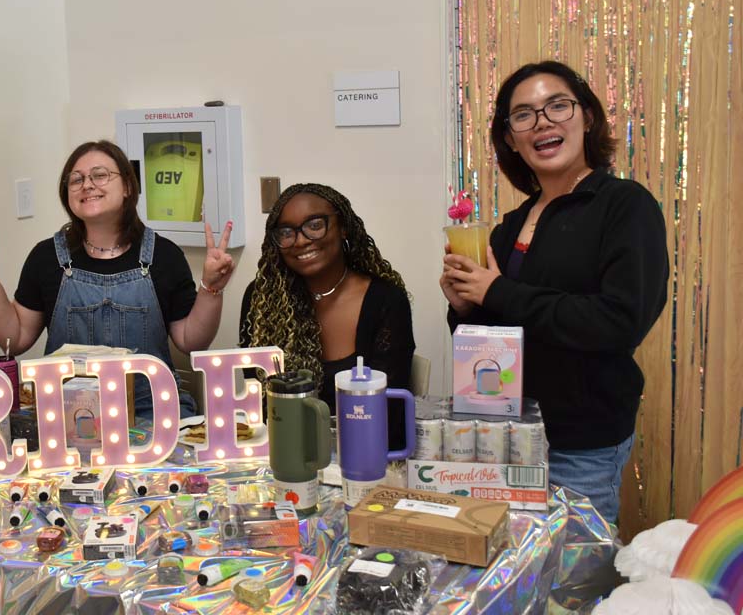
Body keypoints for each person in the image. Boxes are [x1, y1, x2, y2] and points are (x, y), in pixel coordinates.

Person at [440, 60, 669, 523]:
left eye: (557, 106)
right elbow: (492, 345)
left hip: (581, 446)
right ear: (511, 140)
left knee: (572, 584)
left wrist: (498, 292)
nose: (542, 121)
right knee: (512, 581)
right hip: (504, 439)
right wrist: (465, 307)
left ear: (586, 116)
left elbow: (619, 323)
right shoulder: (506, 227)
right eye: (523, 115)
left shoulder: (625, 206)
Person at [0, 139, 236, 420]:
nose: (87, 185)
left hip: (153, 411)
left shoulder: (164, 256)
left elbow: (192, 341)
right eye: (76, 179)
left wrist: (211, 288)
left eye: (100, 175)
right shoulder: (46, 257)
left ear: (128, 187)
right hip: (69, 414)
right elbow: (15, 338)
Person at [239, 183, 416, 449]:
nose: (300, 240)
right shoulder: (261, 300)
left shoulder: (385, 300)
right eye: (286, 232)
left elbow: (390, 411)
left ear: (342, 226)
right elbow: (258, 404)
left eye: (314, 225)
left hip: (369, 457)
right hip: (284, 456)